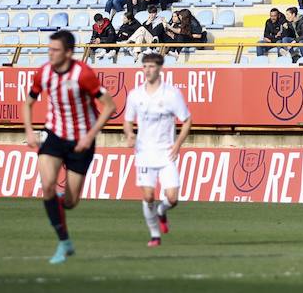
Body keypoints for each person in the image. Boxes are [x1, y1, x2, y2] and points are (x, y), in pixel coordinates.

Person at [24, 29, 118, 264]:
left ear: (68, 52)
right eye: (49, 49)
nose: (50, 54)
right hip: (54, 134)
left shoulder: (83, 74)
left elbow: (109, 106)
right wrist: (28, 130)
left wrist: (90, 136)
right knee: (47, 186)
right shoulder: (43, 73)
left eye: (55, 50)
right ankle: (64, 242)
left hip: (81, 140)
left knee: (70, 202)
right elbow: (28, 102)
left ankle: (59, 204)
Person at [123, 52, 192, 248]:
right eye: (145, 66)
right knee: (148, 196)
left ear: (160, 68)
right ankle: (155, 235)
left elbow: (187, 121)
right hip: (144, 152)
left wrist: (178, 144)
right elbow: (127, 121)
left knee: (172, 198)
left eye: (152, 66)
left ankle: (162, 211)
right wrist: (129, 135)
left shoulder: (171, 94)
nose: (148, 70)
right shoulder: (135, 95)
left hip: (166, 152)